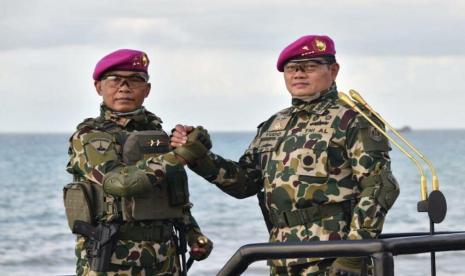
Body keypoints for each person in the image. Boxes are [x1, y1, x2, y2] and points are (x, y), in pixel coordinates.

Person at [170, 35, 400, 275]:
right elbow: (244, 183)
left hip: (334, 255)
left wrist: (354, 251)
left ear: (333, 70)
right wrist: (197, 155)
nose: (298, 74)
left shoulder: (352, 121)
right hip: (282, 254)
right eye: (291, 68)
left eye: (309, 67)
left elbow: (380, 186)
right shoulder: (274, 125)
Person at [65, 49, 213, 276]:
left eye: (135, 80)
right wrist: (181, 155)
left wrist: (194, 234)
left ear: (147, 89)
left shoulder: (156, 135)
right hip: (113, 258)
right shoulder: (89, 136)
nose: (124, 88)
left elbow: (173, 196)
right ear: (98, 87)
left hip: (165, 257)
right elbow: (119, 183)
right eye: (115, 80)